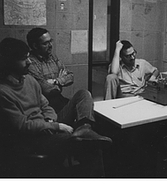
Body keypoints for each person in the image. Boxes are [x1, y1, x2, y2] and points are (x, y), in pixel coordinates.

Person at [0, 38, 112, 177]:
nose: (29, 62)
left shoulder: (29, 79)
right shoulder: (3, 91)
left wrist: (51, 121)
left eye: (28, 57)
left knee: (83, 94)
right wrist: (56, 127)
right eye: (24, 59)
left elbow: (45, 104)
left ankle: (85, 128)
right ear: (9, 62)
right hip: (34, 138)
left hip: (47, 124)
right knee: (89, 145)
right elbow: (22, 125)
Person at [26, 27, 73, 113]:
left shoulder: (53, 58)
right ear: (35, 46)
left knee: (83, 95)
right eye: (46, 43)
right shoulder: (30, 63)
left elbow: (70, 77)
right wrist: (61, 82)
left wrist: (56, 81)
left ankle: (85, 125)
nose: (50, 45)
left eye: (51, 41)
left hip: (58, 99)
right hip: (43, 105)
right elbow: (45, 89)